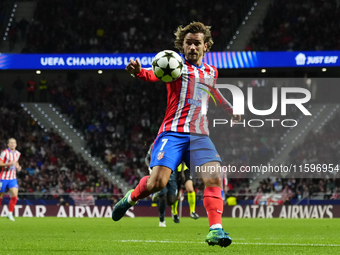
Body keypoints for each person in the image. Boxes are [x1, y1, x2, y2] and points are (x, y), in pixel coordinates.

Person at [112, 22, 241, 247]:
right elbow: (153, 75)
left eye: (196, 43)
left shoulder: (212, 71)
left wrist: (231, 109)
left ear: (206, 46)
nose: (192, 47)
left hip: (200, 135)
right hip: (172, 133)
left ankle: (216, 230)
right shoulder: (175, 67)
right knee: (157, 184)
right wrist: (139, 72)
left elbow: (213, 91)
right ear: (182, 46)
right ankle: (130, 197)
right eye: (188, 43)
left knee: (214, 177)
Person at [145, 143, 177, 227]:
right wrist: (150, 168)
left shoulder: (175, 143)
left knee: (171, 201)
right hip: (159, 174)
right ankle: (162, 220)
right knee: (163, 198)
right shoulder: (155, 144)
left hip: (172, 175)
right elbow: (147, 158)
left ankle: (156, 194)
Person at [0, 138, 22, 221]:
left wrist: (18, 166)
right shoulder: (4, 153)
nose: (13, 144)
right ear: (8, 144)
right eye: (11, 143)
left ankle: (9, 213)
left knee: (15, 195)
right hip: (3, 178)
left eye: (14, 143)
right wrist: (8, 164)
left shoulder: (18, 153)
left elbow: (16, 162)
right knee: (0, 196)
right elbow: (0, 163)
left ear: (16, 144)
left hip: (12, 178)